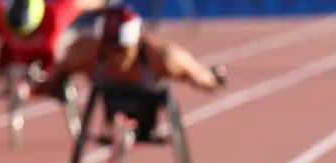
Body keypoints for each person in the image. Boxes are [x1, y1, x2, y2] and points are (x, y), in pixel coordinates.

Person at [38, 3, 225, 141]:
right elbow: (59, 73)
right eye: (110, 48)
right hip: (111, 108)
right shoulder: (85, 53)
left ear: (135, 43)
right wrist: (52, 86)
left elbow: (198, 75)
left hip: (148, 114)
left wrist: (214, 81)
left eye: (122, 49)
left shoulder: (164, 57)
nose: (116, 56)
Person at [0, 0, 105, 75]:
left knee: (80, 58)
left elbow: (80, 3)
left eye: (29, 32)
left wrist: (103, 3)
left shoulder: (55, 16)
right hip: (13, 59)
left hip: (47, 63)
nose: (25, 37)